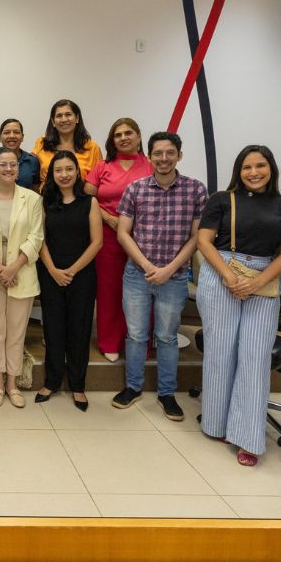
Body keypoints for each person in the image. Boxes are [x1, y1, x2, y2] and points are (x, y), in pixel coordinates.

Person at [196, 146, 281, 466]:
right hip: (221, 274)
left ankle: (248, 437)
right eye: (246, 167)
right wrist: (229, 277)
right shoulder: (221, 200)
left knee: (254, 358)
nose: (253, 172)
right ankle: (216, 423)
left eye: (261, 165)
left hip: (265, 281)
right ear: (238, 170)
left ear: (272, 168)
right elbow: (203, 240)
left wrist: (256, 282)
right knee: (220, 352)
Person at [112, 131, 206, 422]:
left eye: (169, 153)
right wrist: (147, 266)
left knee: (166, 337)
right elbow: (123, 233)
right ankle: (132, 387)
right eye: (157, 153)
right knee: (136, 334)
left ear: (179, 154)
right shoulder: (135, 189)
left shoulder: (196, 190)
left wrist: (169, 269)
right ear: (149, 155)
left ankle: (167, 393)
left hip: (175, 276)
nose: (163, 158)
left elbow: (197, 237)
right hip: (137, 275)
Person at [35, 152, 103, 410]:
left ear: (77, 172)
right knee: (53, 329)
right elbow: (39, 238)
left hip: (82, 274)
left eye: (69, 169)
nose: (64, 174)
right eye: (58, 170)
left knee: (79, 328)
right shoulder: (46, 202)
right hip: (51, 272)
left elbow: (97, 242)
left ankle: (77, 385)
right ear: (52, 174)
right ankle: (51, 381)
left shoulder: (89, 202)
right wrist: (52, 269)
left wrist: (71, 270)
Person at [83, 118, 152, 362]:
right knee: (109, 290)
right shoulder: (102, 166)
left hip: (142, 239)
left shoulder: (152, 166)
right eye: (118, 134)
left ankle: (138, 342)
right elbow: (88, 199)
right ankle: (109, 341)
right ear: (112, 140)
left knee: (140, 292)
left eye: (128, 133)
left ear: (139, 136)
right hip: (108, 235)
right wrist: (109, 219)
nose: (123, 138)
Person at [0, 147, 44, 409]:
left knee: (16, 332)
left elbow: (36, 237)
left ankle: (12, 383)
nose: (8, 169)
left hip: (22, 271)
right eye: (2, 165)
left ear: (19, 168)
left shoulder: (32, 199)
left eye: (12, 165)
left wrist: (14, 266)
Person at [32, 99, 102, 185]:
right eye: (59, 116)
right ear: (53, 122)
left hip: (82, 197)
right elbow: (32, 175)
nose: (64, 119)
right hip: (47, 197)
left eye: (68, 114)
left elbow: (99, 180)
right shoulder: (41, 143)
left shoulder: (92, 147)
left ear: (77, 118)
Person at [0, 118, 40, 191]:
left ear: (22, 137)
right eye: (7, 132)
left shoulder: (32, 161)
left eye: (16, 132)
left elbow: (36, 190)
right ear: (0, 138)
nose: (11, 136)